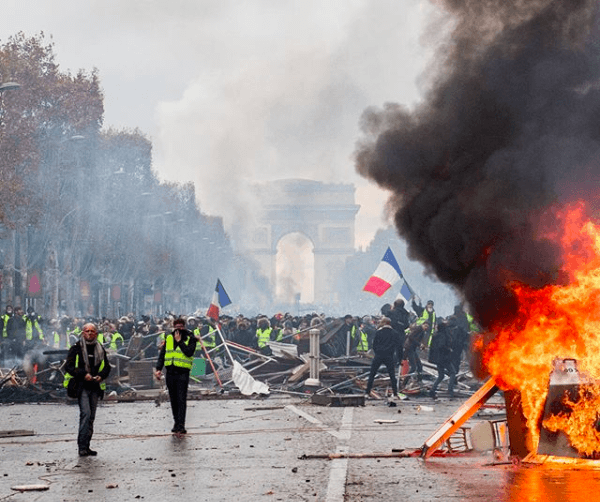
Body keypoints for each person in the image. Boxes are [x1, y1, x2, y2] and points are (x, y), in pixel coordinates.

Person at [64, 323, 111, 457]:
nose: (89, 334)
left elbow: (107, 367)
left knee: (91, 417)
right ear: (83, 333)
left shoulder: (100, 348)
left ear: (96, 334)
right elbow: (69, 367)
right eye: (87, 331)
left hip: (95, 387)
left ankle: (87, 446)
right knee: (85, 414)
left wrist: (100, 376)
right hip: (82, 386)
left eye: (92, 331)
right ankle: (82, 447)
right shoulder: (76, 348)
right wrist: (83, 374)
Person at [154, 317, 197, 434]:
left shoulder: (190, 338)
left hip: (182, 373)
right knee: (173, 399)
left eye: (181, 327)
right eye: (176, 327)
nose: (178, 330)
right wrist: (158, 368)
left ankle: (181, 424)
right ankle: (176, 422)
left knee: (181, 399)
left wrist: (179, 341)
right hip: (170, 373)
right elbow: (162, 355)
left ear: (184, 327)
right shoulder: (168, 337)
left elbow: (189, 352)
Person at [365, 317, 400, 399]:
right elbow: (399, 346)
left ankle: (367, 392)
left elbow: (374, 345)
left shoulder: (379, 332)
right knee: (392, 375)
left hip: (379, 355)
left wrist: (377, 352)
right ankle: (395, 394)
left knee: (372, 374)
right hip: (389, 356)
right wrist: (399, 358)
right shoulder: (395, 333)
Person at [428, 318, 457, 399]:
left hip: (438, 359)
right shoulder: (443, 335)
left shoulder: (436, 335)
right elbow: (442, 346)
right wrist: (449, 349)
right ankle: (450, 391)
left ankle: (432, 391)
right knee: (453, 372)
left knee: (441, 375)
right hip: (444, 358)